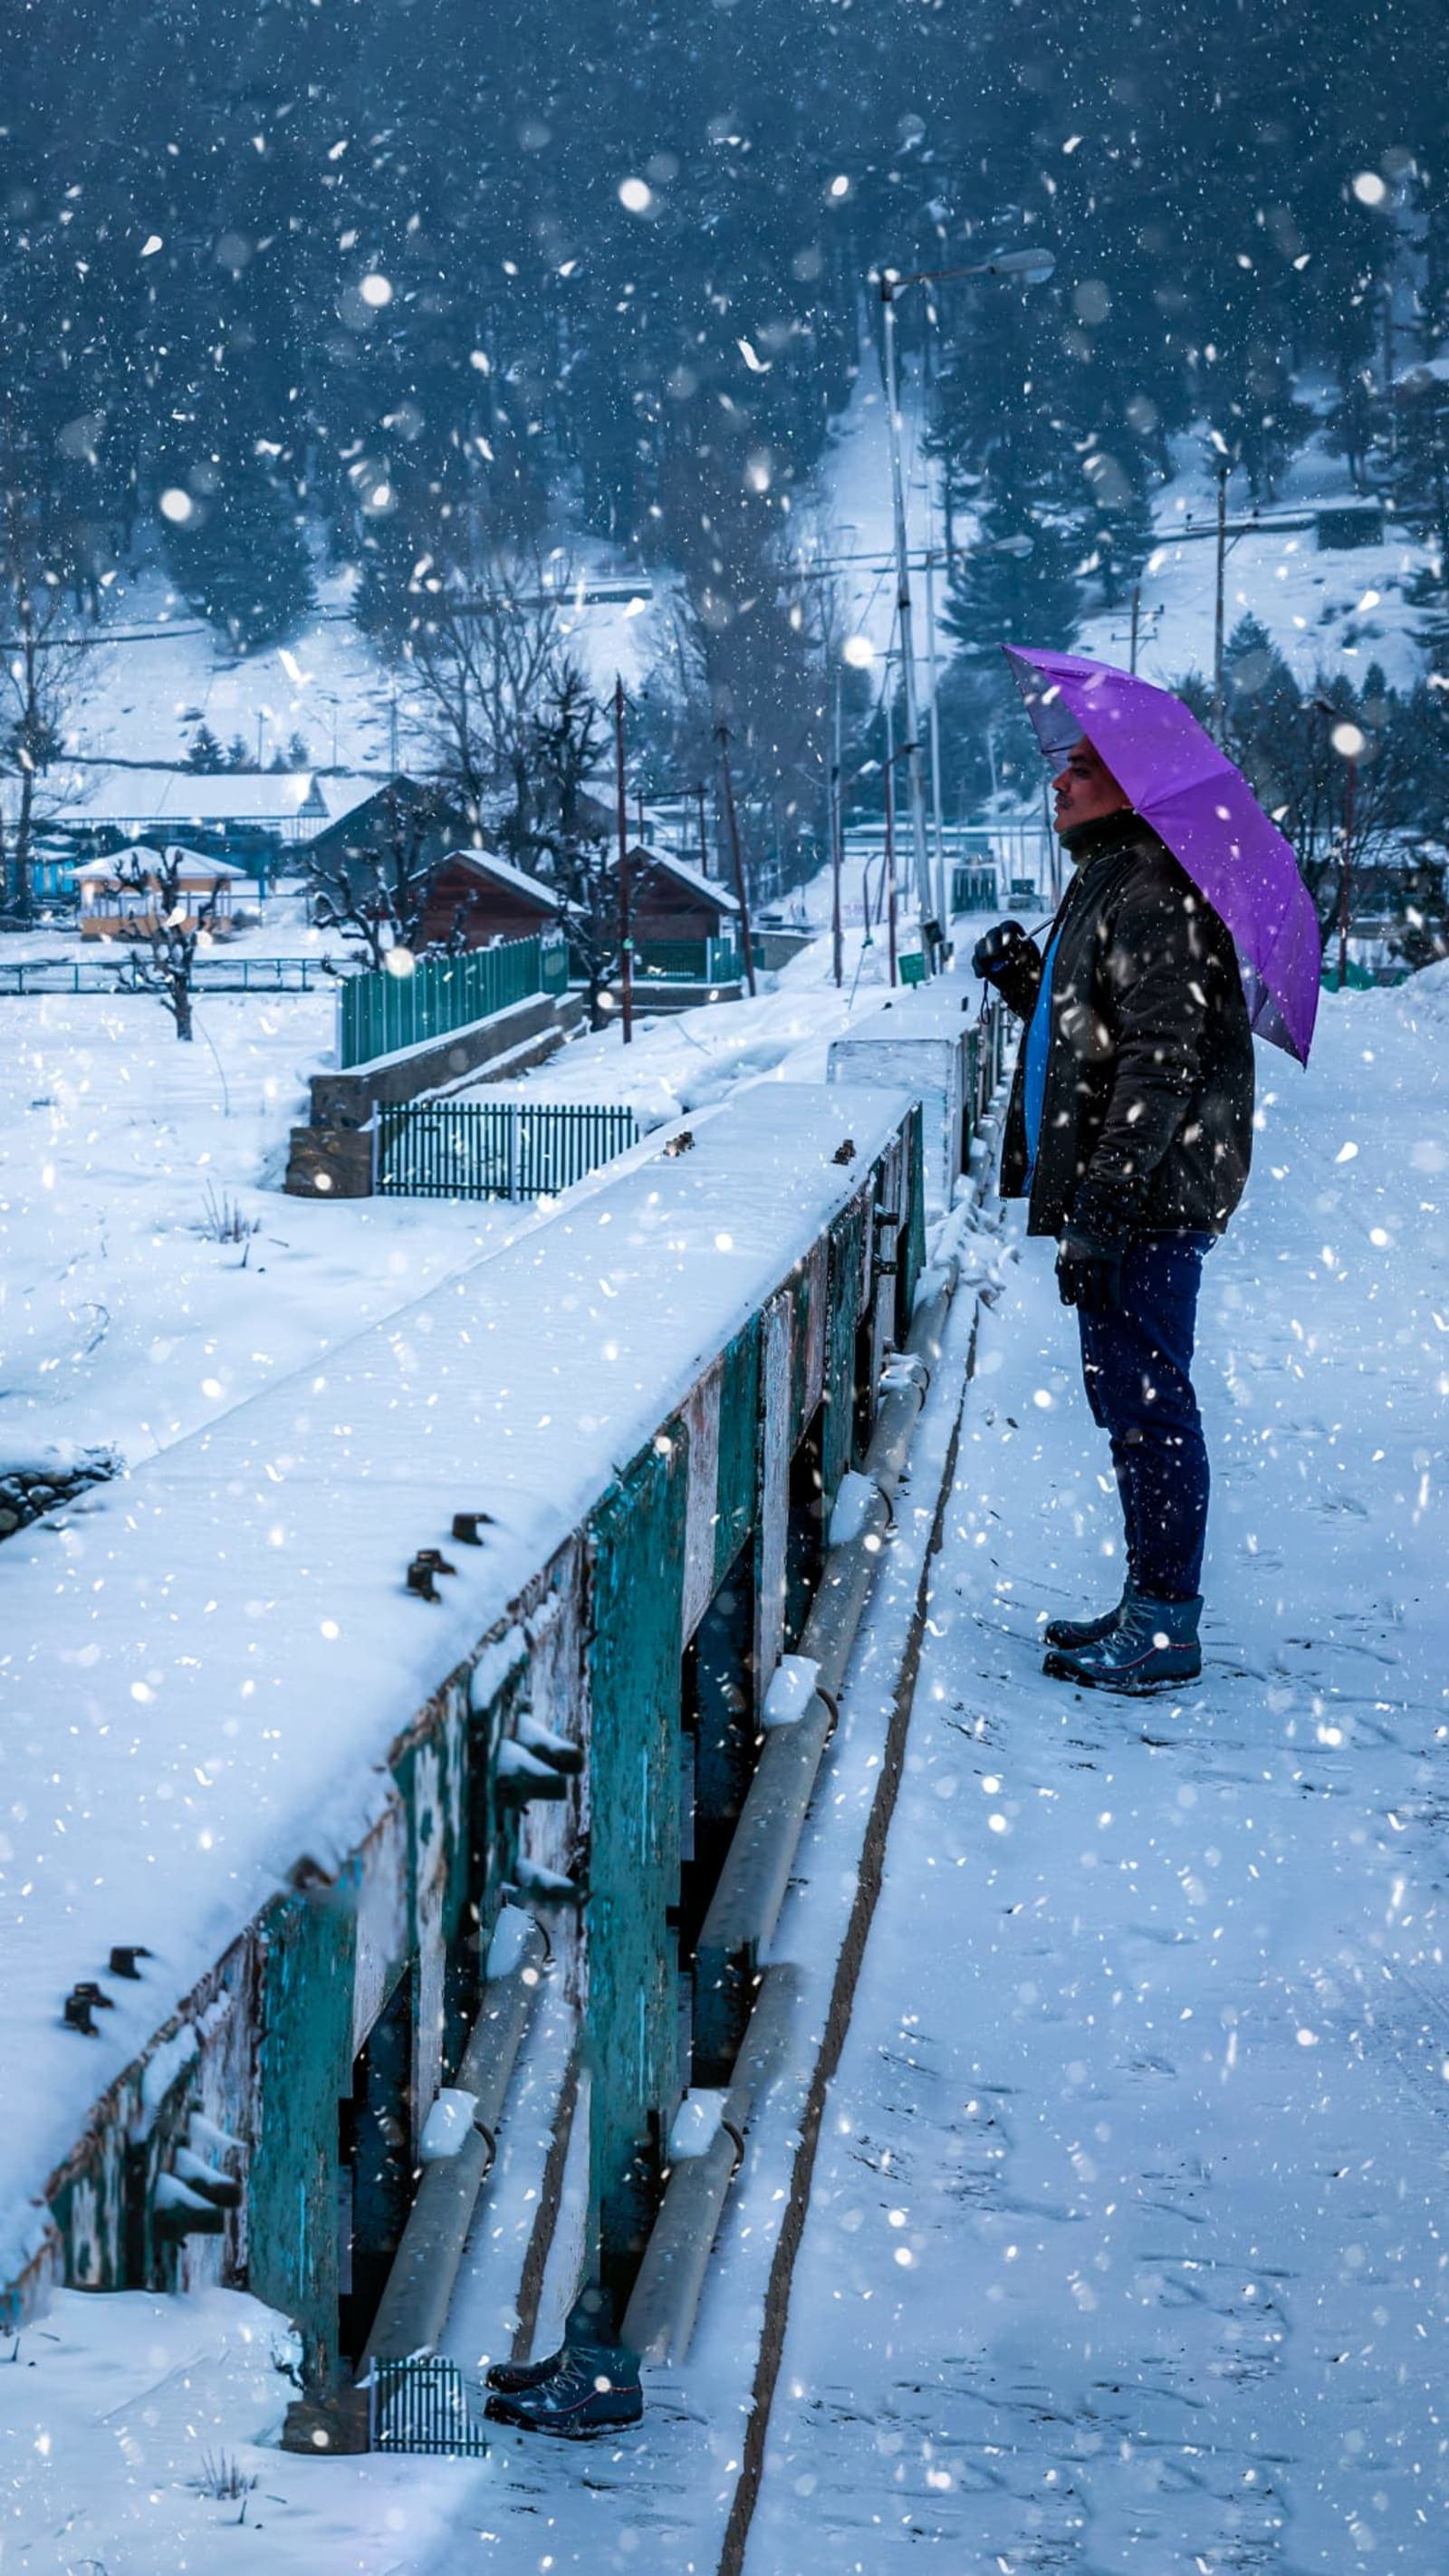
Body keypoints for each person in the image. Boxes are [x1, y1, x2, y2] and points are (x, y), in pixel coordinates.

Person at [973, 735, 1254, 1692]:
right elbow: (1102, 1033)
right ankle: (1148, 1603)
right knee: (1130, 1404)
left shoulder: (1150, 892)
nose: (1057, 781)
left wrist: (1101, 1209)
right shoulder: (1112, 881)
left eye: (1081, 771)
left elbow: (1158, 1063)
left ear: (1130, 790)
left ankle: (1167, 1625)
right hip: (1134, 1193)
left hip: (1147, 1199)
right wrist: (1025, 981)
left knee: (1148, 1410)